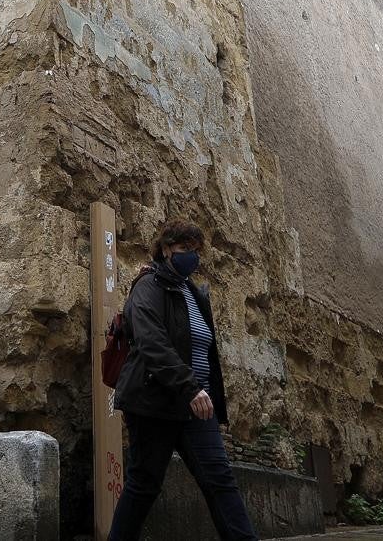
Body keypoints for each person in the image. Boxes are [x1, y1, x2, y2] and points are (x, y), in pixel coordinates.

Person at [107, 220, 258, 541]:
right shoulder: (148, 286)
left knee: (220, 479)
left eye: (195, 250)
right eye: (183, 249)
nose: (191, 256)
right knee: (144, 484)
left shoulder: (193, 292)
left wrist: (209, 398)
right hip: (154, 402)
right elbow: (151, 342)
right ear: (165, 249)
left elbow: (204, 349)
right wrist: (189, 386)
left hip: (195, 406)